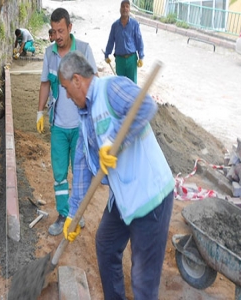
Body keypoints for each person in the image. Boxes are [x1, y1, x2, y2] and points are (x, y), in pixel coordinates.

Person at [59, 51, 174, 300]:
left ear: (77, 80)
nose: (67, 95)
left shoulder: (111, 88)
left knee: (143, 280)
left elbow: (145, 106)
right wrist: (72, 215)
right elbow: (80, 167)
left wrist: (114, 141)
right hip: (123, 200)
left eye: (67, 89)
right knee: (106, 245)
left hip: (149, 197)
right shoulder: (85, 118)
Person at [37, 8, 98, 236]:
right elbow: (45, 83)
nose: (58, 35)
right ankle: (63, 214)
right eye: (54, 31)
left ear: (70, 28)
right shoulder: (49, 53)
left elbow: (94, 84)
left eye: (61, 30)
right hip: (59, 127)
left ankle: (76, 215)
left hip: (81, 127)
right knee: (60, 174)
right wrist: (39, 112)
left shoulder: (83, 50)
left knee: (80, 174)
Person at [104, 0, 144, 83]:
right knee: (120, 84)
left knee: (132, 85)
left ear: (129, 9)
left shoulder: (135, 24)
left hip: (131, 60)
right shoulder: (115, 25)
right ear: (120, 9)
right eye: (123, 6)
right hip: (119, 60)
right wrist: (107, 54)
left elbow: (139, 41)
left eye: (127, 6)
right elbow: (111, 41)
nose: (125, 9)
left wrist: (141, 57)